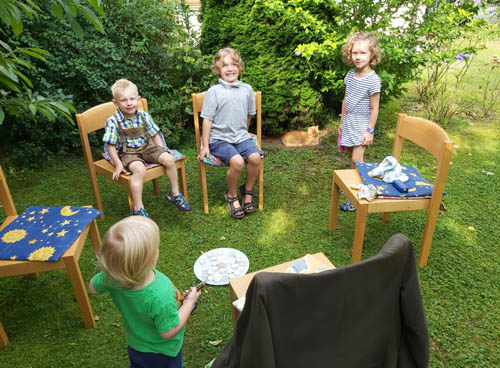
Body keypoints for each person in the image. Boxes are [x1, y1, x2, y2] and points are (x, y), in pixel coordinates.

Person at [88, 216, 201, 368]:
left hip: (136, 345)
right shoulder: (159, 296)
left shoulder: (111, 277)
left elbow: (92, 288)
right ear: (152, 259)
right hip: (163, 353)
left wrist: (108, 273)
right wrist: (189, 303)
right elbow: (169, 331)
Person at [103, 79, 191, 217]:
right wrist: (118, 164)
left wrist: (162, 149)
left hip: (146, 147)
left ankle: (174, 193)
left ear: (138, 99)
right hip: (128, 153)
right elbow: (111, 146)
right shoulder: (113, 121)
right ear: (115, 102)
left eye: (132, 99)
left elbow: (155, 134)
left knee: (168, 159)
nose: (129, 103)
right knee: (139, 169)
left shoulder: (144, 116)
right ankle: (138, 208)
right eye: (124, 100)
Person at [197, 47, 263, 219]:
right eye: (225, 65)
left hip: (241, 137)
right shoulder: (214, 92)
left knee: (255, 157)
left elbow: (249, 115)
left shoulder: (247, 89)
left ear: (239, 67)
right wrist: (205, 145)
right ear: (218, 69)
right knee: (238, 162)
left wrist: (245, 132)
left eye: (234, 64)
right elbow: (207, 119)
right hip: (219, 139)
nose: (230, 68)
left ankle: (247, 190)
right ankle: (232, 196)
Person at [338, 32, 382, 212]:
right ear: (350, 54)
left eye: (363, 53)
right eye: (355, 53)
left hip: (362, 126)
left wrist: (369, 131)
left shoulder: (373, 80)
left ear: (372, 55)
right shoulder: (350, 75)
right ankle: (352, 182)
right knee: (350, 156)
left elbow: (374, 108)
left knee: (358, 160)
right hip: (349, 123)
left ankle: (358, 194)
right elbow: (346, 99)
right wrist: (342, 120)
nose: (358, 57)